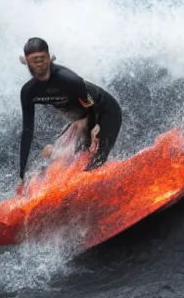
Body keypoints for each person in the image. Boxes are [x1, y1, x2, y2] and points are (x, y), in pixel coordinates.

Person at [16, 37, 122, 194]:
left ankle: (100, 189)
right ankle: (55, 190)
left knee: (94, 162)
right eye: (34, 61)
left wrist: (91, 134)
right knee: (55, 159)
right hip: (80, 120)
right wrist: (21, 175)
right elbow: (27, 130)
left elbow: (91, 108)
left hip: (105, 113)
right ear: (26, 61)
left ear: (50, 58)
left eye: (42, 60)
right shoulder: (29, 92)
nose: (39, 66)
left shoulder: (69, 79)